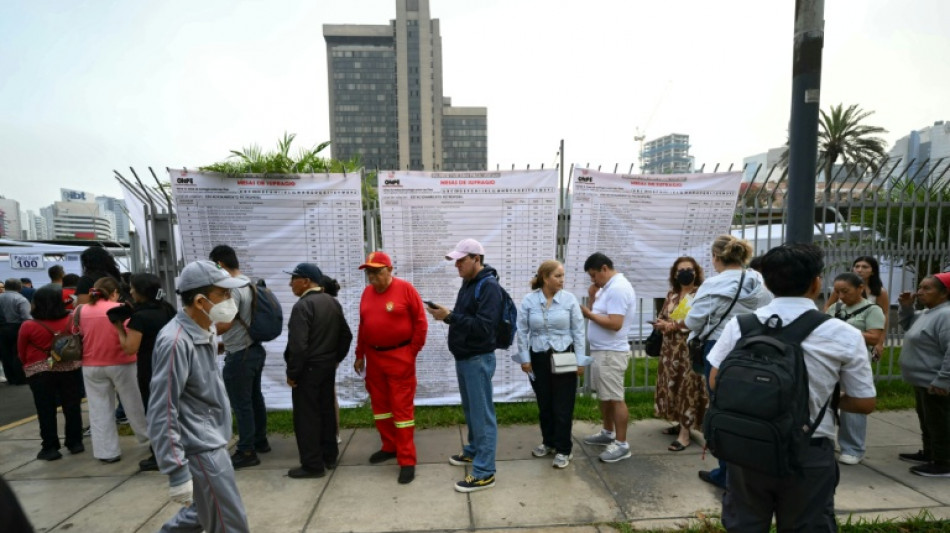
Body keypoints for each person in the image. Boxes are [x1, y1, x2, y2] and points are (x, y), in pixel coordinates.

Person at [708, 243, 876, 531]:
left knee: (744, 525)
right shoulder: (844, 334)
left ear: (768, 283)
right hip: (808, 451)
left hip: (747, 446)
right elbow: (863, 403)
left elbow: (714, 381)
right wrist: (823, 397)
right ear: (816, 282)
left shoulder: (741, 325)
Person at [148, 260, 250, 532]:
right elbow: (161, 409)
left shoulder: (206, 328)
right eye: (224, 294)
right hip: (200, 449)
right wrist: (176, 469)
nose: (230, 299)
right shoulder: (175, 342)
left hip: (212, 438)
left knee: (200, 514)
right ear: (201, 301)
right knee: (230, 524)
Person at [685, 234, 771, 488]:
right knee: (749, 409)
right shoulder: (759, 282)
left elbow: (692, 322)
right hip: (753, 348)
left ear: (716, 257)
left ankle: (725, 473)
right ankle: (749, 469)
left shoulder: (713, 285)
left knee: (722, 409)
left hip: (720, 349)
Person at [426, 238, 503, 492]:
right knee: (472, 411)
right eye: (455, 260)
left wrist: (449, 316)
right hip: (466, 357)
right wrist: (448, 317)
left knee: (482, 415)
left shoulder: (488, 286)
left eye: (461, 260)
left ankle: (484, 472)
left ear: (476, 259)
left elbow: (484, 327)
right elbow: (466, 320)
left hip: (477, 358)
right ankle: (473, 451)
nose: (456, 264)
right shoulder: (470, 283)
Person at [355, 251, 428, 484]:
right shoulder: (366, 293)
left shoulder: (406, 289)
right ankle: (389, 446)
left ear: (389, 269)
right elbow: (363, 326)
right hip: (374, 358)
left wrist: (410, 352)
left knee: (401, 410)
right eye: (368, 272)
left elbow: (421, 323)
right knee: (381, 406)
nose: (372, 276)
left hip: (400, 357)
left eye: (376, 271)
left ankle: (407, 459)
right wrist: (360, 355)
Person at [514, 259, 588, 469]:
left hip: (564, 356)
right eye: (557, 276)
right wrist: (525, 358)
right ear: (545, 278)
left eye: (562, 276)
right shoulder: (529, 301)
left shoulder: (569, 300)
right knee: (544, 402)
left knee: (563, 404)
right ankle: (549, 442)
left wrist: (580, 361)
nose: (562, 280)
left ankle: (564, 449)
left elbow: (578, 332)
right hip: (538, 357)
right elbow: (522, 331)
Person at [284, 262, 353, 479]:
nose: (290, 284)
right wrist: (335, 359)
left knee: (306, 417)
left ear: (305, 281)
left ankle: (312, 465)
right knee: (326, 412)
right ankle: (329, 456)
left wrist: (293, 373)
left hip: (307, 369)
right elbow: (346, 336)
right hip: (326, 367)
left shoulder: (303, 306)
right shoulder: (332, 303)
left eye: (293, 278)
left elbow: (298, 346)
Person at [209, 245, 270, 469]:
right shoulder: (248, 282)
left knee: (241, 404)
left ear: (221, 265)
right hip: (253, 349)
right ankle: (260, 440)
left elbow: (225, 322)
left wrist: (203, 331)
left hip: (241, 356)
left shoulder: (232, 288)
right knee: (254, 398)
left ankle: (246, 451)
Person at [79, 277, 149, 462]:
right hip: (122, 362)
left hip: (91, 365)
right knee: (135, 403)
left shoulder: (81, 310)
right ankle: (148, 438)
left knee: (99, 409)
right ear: (114, 293)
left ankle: (106, 452)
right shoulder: (119, 310)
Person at [112, 273, 177, 472]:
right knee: (171, 410)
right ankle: (174, 448)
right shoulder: (167, 309)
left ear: (141, 292)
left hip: (149, 368)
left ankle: (159, 454)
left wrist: (119, 327)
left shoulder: (139, 318)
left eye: (132, 288)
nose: (130, 292)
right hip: (170, 364)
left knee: (154, 411)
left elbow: (130, 348)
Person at [579, 252, 637, 463]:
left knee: (615, 397)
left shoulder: (619, 288)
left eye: (594, 275)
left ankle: (622, 444)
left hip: (611, 352)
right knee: (605, 395)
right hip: (602, 350)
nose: (593, 280)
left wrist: (588, 313)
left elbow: (615, 323)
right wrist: (594, 297)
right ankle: (607, 432)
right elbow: (602, 313)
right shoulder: (607, 288)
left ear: (604, 268)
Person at [16, 285, 84, 460]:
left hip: (40, 372)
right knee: (72, 406)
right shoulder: (71, 319)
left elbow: (21, 352)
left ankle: (50, 447)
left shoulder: (28, 325)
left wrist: (30, 365)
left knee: (45, 409)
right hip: (70, 368)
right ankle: (75, 442)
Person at [827, 272, 886, 465]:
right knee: (826, 398)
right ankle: (825, 441)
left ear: (860, 288)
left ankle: (852, 448)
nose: (842, 296)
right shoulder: (834, 308)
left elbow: (874, 336)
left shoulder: (872, 310)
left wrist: (844, 332)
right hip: (832, 359)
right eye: (837, 291)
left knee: (855, 401)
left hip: (855, 362)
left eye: (846, 291)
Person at [896, 272, 950, 477]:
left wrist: (944, 379)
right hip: (923, 380)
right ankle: (931, 453)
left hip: (935, 381)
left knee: (940, 421)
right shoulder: (929, 312)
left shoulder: (946, 315)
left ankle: (944, 462)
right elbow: (908, 325)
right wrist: (907, 306)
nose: (920, 292)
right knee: (928, 419)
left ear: (944, 293)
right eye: (920, 287)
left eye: (927, 288)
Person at [653, 256, 708, 452]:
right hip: (669, 350)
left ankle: (685, 434)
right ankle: (679, 422)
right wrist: (661, 325)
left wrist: (671, 325)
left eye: (689, 269)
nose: (685, 273)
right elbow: (663, 317)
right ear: (675, 275)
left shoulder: (700, 294)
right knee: (672, 386)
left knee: (687, 388)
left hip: (688, 350)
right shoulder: (672, 295)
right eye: (681, 270)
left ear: (696, 272)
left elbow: (697, 322)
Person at [824, 256, 890, 359]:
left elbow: (884, 315)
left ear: (873, 271)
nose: (859, 270)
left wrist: (880, 342)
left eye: (865, 267)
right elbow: (828, 306)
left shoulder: (879, 292)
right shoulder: (839, 289)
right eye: (857, 266)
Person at [0, 278, 32, 385]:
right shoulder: (21, 299)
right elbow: (27, 317)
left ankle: (10, 378)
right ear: (19, 287)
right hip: (17, 328)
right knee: (18, 353)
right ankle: (20, 378)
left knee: (5, 354)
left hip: (2, 328)